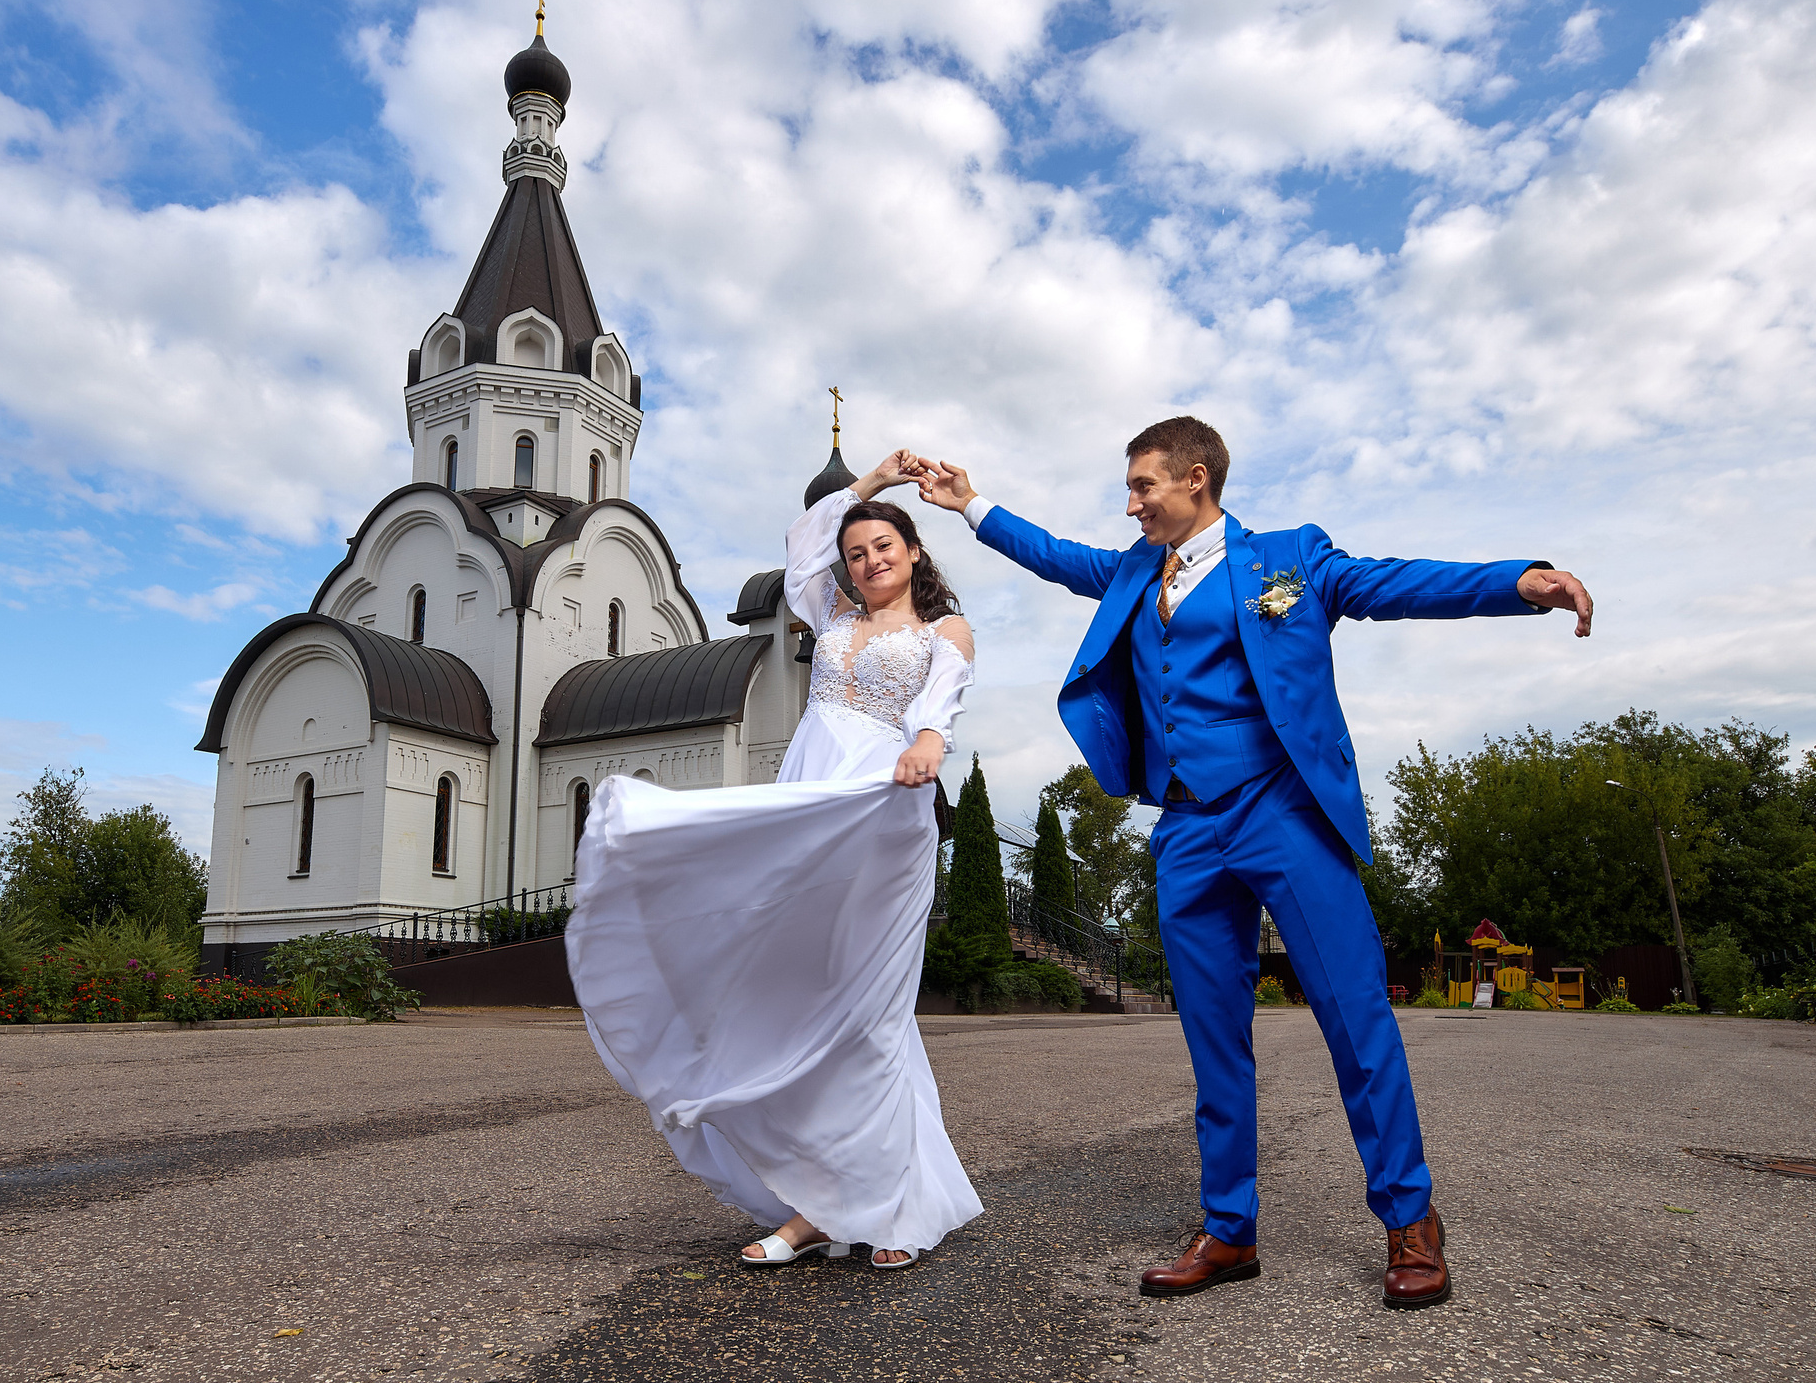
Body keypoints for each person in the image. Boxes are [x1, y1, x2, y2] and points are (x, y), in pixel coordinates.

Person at [917, 417, 1593, 1309]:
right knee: (1212, 1039)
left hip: (1283, 813)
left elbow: (1394, 582)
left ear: (1196, 480)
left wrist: (1519, 582)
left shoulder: (1289, 559)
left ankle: (1411, 1223)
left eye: (1143, 487)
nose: (1131, 505)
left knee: (1356, 1020)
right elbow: (1054, 553)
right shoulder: (1131, 570)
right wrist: (973, 505)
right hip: (1188, 830)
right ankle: (1229, 1230)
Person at [566, 450, 983, 1271]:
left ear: (917, 554)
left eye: (886, 548)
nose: (870, 560)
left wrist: (929, 742)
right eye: (858, 552)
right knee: (796, 996)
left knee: (867, 1013)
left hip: (881, 807)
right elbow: (805, 540)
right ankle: (816, 1208)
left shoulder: (944, 630)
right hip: (807, 803)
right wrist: (866, 485)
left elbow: (945, 700)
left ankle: (888, 1203)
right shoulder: (828, 613)